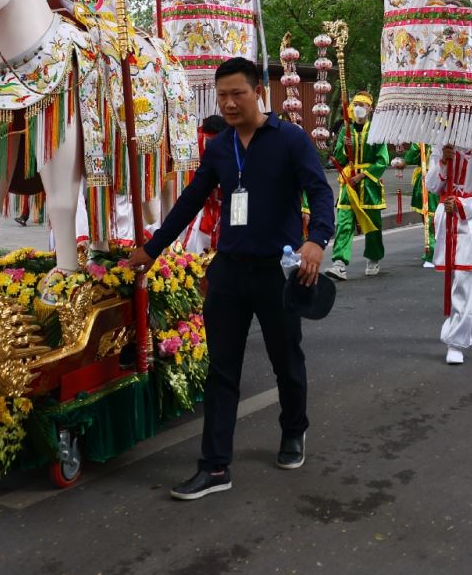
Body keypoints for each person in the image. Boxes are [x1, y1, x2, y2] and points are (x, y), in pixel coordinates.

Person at [126, 57, 336, 500]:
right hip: (228, 274)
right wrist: (152, 248)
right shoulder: (220, 147)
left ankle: (294, 430)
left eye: (237, 93)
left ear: (258, 90)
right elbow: (189, 201)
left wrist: (316, 240)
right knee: (222, 370)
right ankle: (215, 466)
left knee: (287, 362)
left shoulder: (291, 140)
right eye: (222, 96)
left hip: (278, 274)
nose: (229, 103)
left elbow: (320, 191)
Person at [425, 142, 472, 363]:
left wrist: (464, 205)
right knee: (458, 279)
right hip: (446, 218)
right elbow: (431, 185)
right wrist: (442, 163)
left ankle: (456, 342)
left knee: (465, 276)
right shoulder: (441, 147)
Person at [328, 91, 389, 279]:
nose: (359, 108)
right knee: (344, 222)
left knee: (372, 224)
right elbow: (338, 159)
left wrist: (362, 175)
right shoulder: (346, 131)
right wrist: (343, 147)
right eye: (356, 104)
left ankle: (373, 258)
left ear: (370, 109)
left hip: (368, 185)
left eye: (363, 105)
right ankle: (339, 263)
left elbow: (382, 160)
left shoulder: (377, 131)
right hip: (348, 184)